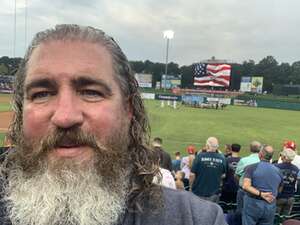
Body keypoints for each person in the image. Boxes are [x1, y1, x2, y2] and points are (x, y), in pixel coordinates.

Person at [0, 24, 226, 225]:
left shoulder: (195, 218)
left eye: (90, 92)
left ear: (127, 110)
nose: (65, 116)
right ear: (21, 111)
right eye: (42, 94)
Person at [242, 145, 283, 225]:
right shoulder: (278, 171)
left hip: (253, 204)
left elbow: (245, 186)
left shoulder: (252, 168)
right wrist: (272, 196)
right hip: (270, 205)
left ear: (260, 154)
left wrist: (261, 194)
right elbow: (280, 188)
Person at [190, 137, 227, 203]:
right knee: (211, 212)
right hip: (214, 193)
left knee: (198, 211)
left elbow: (192, 174)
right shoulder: (222, 158)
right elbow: (223, 175)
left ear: (207, 146)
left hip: (199, 192)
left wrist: (190, 187)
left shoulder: (199, 156)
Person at [235, 141, 261, 214]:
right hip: (257, 191)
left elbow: (236, 175)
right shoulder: (263, 162)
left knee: (240, 212)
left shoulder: (244, 160)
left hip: (244, 191)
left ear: (250, 149)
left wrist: (242, 183)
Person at [275, 148, 299, 215]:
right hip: (290, 197)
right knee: (285, 219)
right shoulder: (296, 169)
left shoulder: (276, 167)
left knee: (275, 218)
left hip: (279, 197)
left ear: (284, 157)